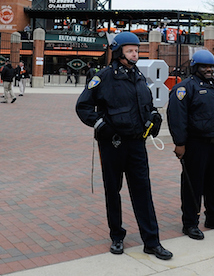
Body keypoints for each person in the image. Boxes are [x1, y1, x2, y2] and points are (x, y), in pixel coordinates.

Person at [75, 32, 172, 260]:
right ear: (118, 52)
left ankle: (152, 241)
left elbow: (147, 105)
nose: (135, 54)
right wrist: (102, 126)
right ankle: (117, 236)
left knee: (143, 192)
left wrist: (154, 118)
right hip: (113, 145)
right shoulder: (104, 77)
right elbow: (83, 107)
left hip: (137, 144)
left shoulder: (139, 77)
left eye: (136, 50)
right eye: (130, 50)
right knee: (113, 191)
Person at [167, 49, 214, 240]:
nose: (208, 70)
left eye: (210, 67)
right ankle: (190, 223)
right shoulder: (186, 88)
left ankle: (213, 217)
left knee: (211, 184)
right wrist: (179, 143)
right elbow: (177, 118)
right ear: (195, 67)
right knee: (193, 185)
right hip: (195, 144)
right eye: (204, 66)